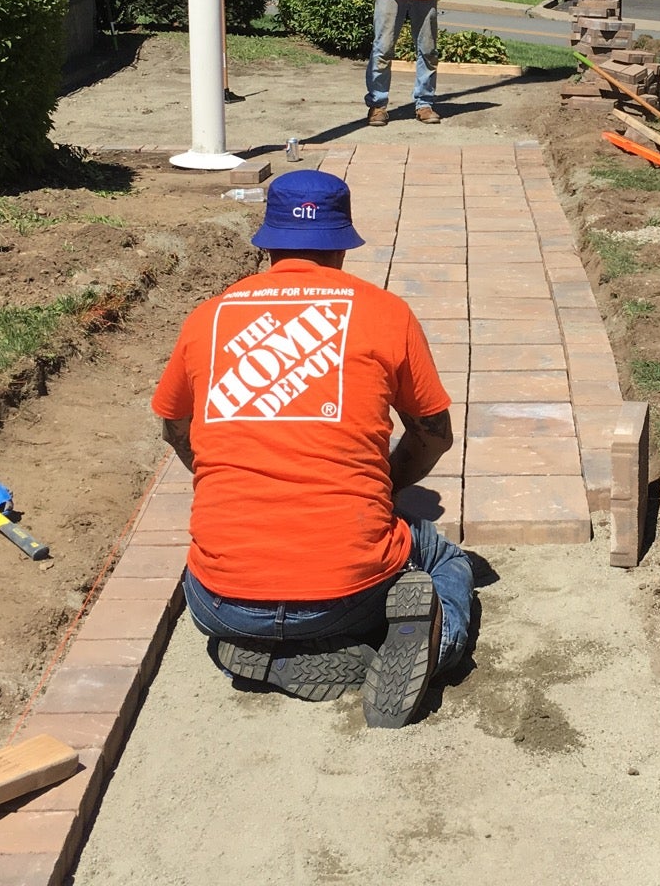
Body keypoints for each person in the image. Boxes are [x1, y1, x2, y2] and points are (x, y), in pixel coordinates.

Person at [150, 170, 474, 728]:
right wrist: (382, 486)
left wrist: (230, 471)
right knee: (444, 559)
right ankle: (429, 641)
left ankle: (268, 659)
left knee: (226, 583)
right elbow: (433, 433)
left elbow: (176, 428)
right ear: (343, 245)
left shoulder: (207, 318)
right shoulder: (385, 313)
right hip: (344, 593)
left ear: (268, 241)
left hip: (219, 602)